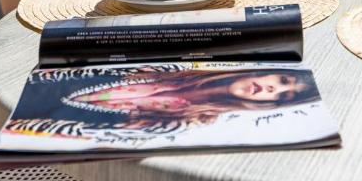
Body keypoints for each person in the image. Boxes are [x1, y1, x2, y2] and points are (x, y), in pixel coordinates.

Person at [62, 67, 319, 131]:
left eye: (283, 97)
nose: (272, 90)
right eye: (282, 81)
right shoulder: (176, 70)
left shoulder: (196, 119)